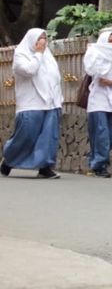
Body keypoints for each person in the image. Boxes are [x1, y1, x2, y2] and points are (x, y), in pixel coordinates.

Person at [1, 28, 63, 179]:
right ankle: (9, 160)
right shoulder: (21, 55)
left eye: (44, 38)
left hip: (51, 103)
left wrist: (58, 100)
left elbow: (55, 78)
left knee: (49, 136)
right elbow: (29, 70)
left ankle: (45, 167)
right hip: (31, 103)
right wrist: (38, 54)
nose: (42, 42)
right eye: (39, 38)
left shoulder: (49, 56)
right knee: (25, 136)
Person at [84, 31, 112, 178]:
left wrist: (111, 82)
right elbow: (93, 71)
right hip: (98, 101)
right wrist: (93, 51)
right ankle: (99, 165)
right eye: (109, 41)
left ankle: (96, 156)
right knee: (101, 134)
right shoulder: (95, 55)